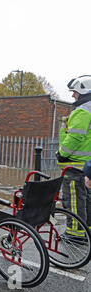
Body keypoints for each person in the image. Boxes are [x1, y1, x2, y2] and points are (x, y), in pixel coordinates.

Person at [56, 75, 91, 235]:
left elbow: (75, 137)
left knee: (74, 200)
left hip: (75, 166)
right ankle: (86, 231)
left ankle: (75, 234)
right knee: (86, 200)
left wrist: (62, 154)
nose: (72, 96)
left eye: (75, 92)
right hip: (85, 166)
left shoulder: (83, 111)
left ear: (83, 92)